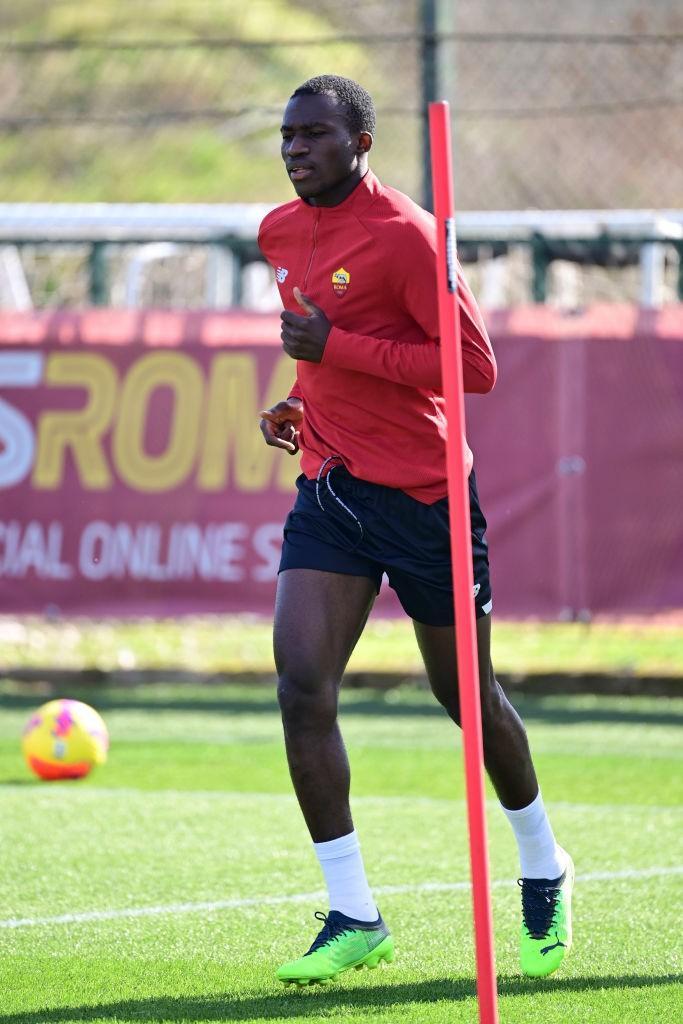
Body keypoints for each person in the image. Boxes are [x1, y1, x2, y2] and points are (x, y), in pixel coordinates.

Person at [258, 74, 573, 987]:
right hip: (331, 487)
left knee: (465, 700)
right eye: (287, 135)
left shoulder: (408, 236)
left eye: (314, 134)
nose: (294, 148)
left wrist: (333, 351)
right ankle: (354, 912)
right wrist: (299, 396)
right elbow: (322, 345)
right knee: (301, 685)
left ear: (360, 144)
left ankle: (543, 863)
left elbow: (473, 368)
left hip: (426, 501)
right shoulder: (277, 231)